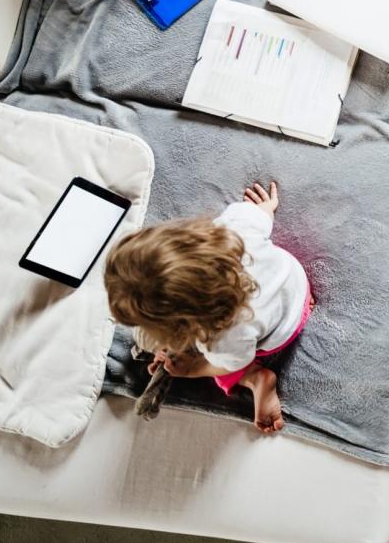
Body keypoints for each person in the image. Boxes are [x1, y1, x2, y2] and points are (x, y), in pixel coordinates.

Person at [103, 181, 312, 434]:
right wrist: (267, 207)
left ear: (187, 326)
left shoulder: (220, 340)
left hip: (286, 327)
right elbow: (259, 215)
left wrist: (193, 369)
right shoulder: (231, 228)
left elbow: (233, 362)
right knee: (147, 339)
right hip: (293, 277)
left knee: (219, 371)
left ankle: (257, 379)